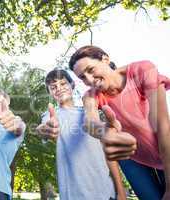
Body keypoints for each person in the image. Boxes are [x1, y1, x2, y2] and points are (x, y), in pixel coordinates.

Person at [69, 45, 170, 200]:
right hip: (133, 157)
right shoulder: (90, 96)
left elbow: (162, 126)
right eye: (82, 77)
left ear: (105, 59)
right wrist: (104, 132)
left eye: (91, 70)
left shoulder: (142, 70)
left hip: (165, 148)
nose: (89, 80)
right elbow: (90, 122)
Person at [37, 69, 126, 200]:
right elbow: (43, 129)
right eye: (53, 87)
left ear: (72, 85)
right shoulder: (50, 116)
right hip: (73, 193)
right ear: (50, 92)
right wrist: (45, 129)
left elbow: (109, 155)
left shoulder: (91, 115)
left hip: (106, 191)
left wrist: (121, 191)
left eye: (63, 84)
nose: (59, 88)